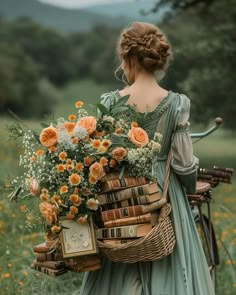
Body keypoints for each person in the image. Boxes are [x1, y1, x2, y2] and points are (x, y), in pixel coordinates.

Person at [80, 22, 215, 295]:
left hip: (120, 200)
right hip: (165, 198)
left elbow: (100, 157)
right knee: (172, 264)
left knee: (120, 259)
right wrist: (188, 186)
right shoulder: (176, 103)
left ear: (128, 57)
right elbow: (183, 163)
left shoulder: (109, 101)